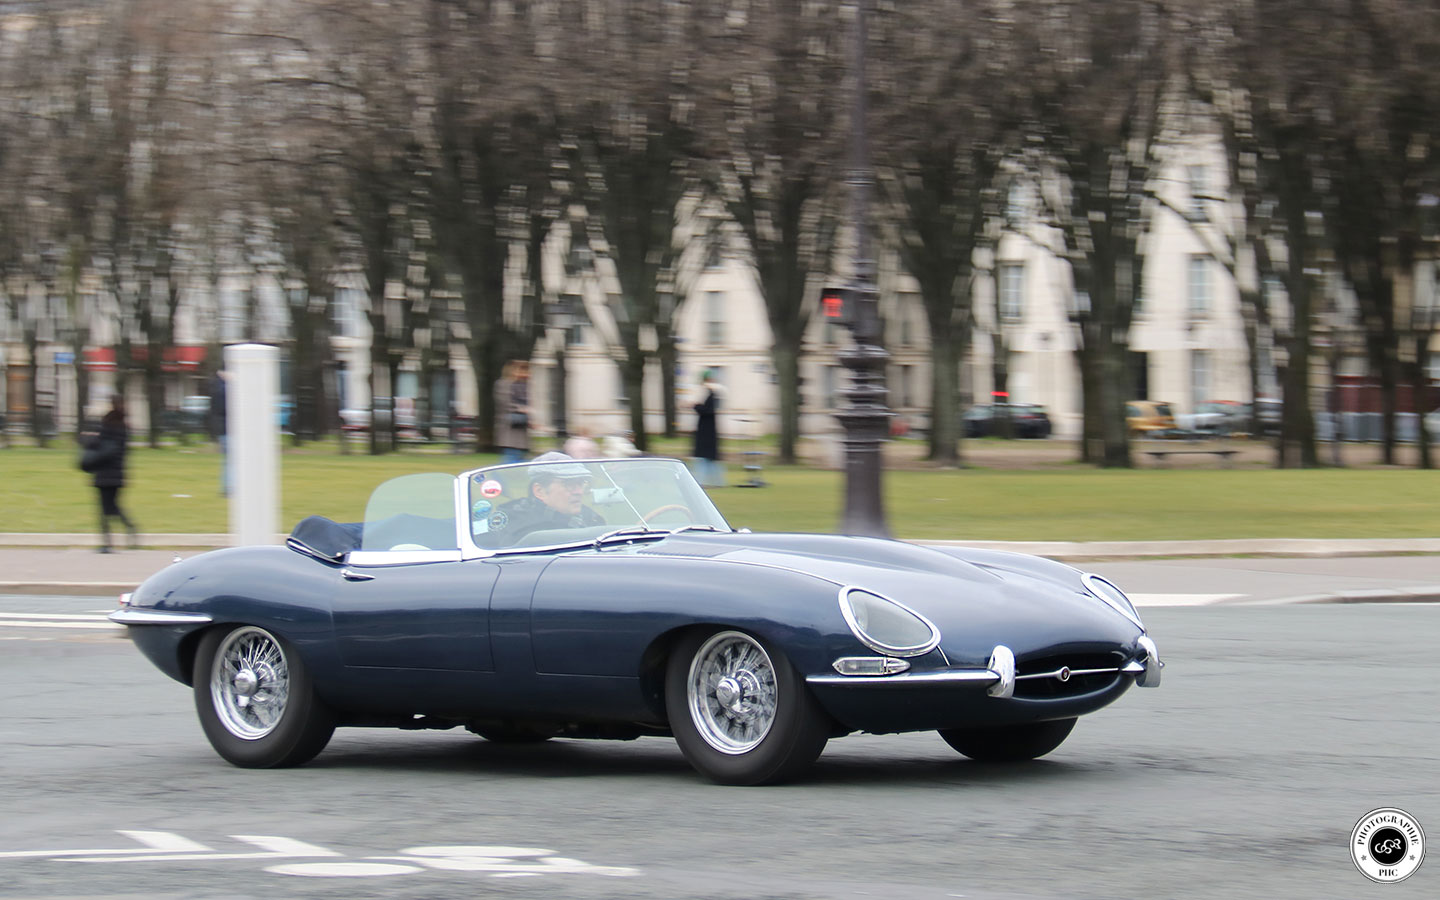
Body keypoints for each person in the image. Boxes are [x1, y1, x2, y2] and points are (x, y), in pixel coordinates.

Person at [493, 451, 604, 545]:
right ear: (539, 491)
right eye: (569, 484)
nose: (579, 492)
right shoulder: (521, 530)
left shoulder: (591, 518)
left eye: (580, 483)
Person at [80, 396, 138, 553]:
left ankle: (107, 543)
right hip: (118, 473)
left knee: (105, 510)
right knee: (113, 507)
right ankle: (130, 527)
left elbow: (98, 445)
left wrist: (87, 439)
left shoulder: (108, 424)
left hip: (104, 472)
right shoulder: (124, 426)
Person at [692, 369, 726, 487]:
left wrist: (696, 406)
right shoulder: (711, 394)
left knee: (705, 458)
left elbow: (707, 411)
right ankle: (717, 482)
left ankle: (702, 481)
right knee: (709, 459)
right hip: (707, 430)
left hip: (707, 430)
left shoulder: (711, 395)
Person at [494, 359, 531, 464]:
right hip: (510, 429)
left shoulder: (524, 386)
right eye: (522, 370)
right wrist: (522, 409)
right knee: (510, 461)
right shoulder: (504, 384)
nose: (525, 374)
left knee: (519, 461)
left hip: (521, 430)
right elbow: (505, 403)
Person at [207, 370, 229, 496]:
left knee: (228, 460)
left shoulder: (216, 386)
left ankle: (227, 487)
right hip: (226, 428)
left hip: (223, 427)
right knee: (230, 460)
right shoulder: (222, 388)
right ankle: (228, 487)